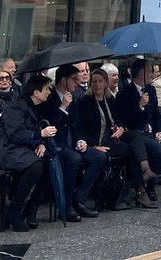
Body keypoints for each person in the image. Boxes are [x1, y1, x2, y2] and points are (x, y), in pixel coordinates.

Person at [73, 69, 157, 209]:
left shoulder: (110, 99)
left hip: (113, 136)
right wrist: (93, 146)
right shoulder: (85, 102)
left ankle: (145, 168)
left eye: (100, 81)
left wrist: (121, 128)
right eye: (94, 82)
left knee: (135, 134)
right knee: (131, 151)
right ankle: (140, 191)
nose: (97, 85)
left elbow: (120, 120)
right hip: (99, 141)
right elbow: (81, 128)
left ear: (106, 83)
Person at [0, 73, 59, 232]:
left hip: (22, 148)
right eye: (47, 89)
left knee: (47, 162)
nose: (49, 92)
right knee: (35, 166)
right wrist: (40, 135)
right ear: (36, 92)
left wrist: (42, 143)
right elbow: (16, 135)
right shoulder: (15, 107)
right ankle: (15, 212)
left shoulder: (38, 106)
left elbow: (38, 129)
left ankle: (31, 210)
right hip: (4, 148)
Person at [44, 64, 105, 220]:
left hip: (72, 143)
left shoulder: (74, 98)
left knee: (99, 157)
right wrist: (63, 107)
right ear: (64, 80)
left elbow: (78, 125)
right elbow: (50, 124)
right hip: (57, 145)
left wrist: (81, 140)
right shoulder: (49, 97)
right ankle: (66, 205)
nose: (77, 84)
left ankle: (79, 200)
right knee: (74, 159)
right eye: (74, 80)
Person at [119, 59, 161, 187]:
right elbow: (126, 120)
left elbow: (156, 115)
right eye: (150, 71)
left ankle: (151, 175)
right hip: (138, 134)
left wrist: (159, 130)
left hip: (153, 132)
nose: (152, 74)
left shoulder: (151, 90)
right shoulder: (124, 94)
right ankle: (148, 183)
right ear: (142, 73)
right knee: (158, 149)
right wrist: (140, 106)